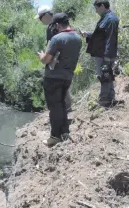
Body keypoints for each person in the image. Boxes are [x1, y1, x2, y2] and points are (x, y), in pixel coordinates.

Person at [38, 13, 82, 146]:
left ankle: (55, 136)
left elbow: (46, 59)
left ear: (57, 25)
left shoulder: (57, 38)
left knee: (54, 107)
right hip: (67, 76)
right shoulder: (77, 38)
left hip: (53, 77)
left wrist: (41, 56)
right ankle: (64, 132)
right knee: (61, 104)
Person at [80, 0, 119, 107]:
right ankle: (110, 99)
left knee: (104, 75)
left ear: (102, 6)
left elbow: (110, 39)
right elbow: (100, 36)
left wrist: (107, 57)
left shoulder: (110, 19)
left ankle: (105, 100)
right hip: (100, 53)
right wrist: (87, 34)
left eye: (96, 8)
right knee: (106, 75)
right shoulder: (105, 18)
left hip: (104, 54)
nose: (95, 11)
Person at [34, 6, 73, 112]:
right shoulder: (60, 24)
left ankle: (63, 112)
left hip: (56, 62)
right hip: (65, 61)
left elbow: (51, 46)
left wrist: (44, 57)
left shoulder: (53, 27)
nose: (40, 20)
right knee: (63, 86)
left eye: (41, 17)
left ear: (46, 15)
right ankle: (67, 110)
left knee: (57, 86)